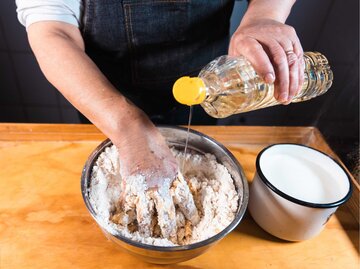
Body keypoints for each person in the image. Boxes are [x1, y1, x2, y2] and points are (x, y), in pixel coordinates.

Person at [16, 0, 304, 239]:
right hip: (103, 93)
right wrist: (125, 125)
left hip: (206, 84)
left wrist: (264, 16)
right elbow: (53, 30)